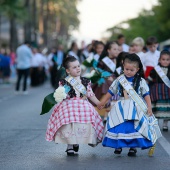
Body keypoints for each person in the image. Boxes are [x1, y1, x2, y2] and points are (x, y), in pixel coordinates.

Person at [98, 53, 154, 157]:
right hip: (121, 106)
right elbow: (111, 91)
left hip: (135, 107)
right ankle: (118, 145)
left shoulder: (141, 81)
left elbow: (146, 95)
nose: (128, 72)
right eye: (126, 69)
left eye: (131, 70)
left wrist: (149, 107)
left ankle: (133, 148)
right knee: (119, 125)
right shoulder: (119, 80)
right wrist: (102, 102)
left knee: (134, 127)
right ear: (123, 66)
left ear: (137, 69)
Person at [45, 56, 104, 156]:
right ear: (68, 70)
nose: (78, 68)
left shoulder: (86, 81)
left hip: (82, 104)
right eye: (74, 67)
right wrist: (61, 94)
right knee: (69, 117)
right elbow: (62, 94)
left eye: (78, 66)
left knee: (89, 112)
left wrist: (98, 103)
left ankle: (81, 139)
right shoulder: (64, 82)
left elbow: (90, 94)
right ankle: (70, 145)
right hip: (69, 103)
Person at [148, 50, 170, 131]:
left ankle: (165, 124)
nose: (165, 61)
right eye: (163, 59)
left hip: (168, 91)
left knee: (167, 108)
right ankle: (155, 124)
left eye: (168, 60)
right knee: (156, 108)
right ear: (159, 60)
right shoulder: (155, 69)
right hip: (157, 91)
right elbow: (150, 79)